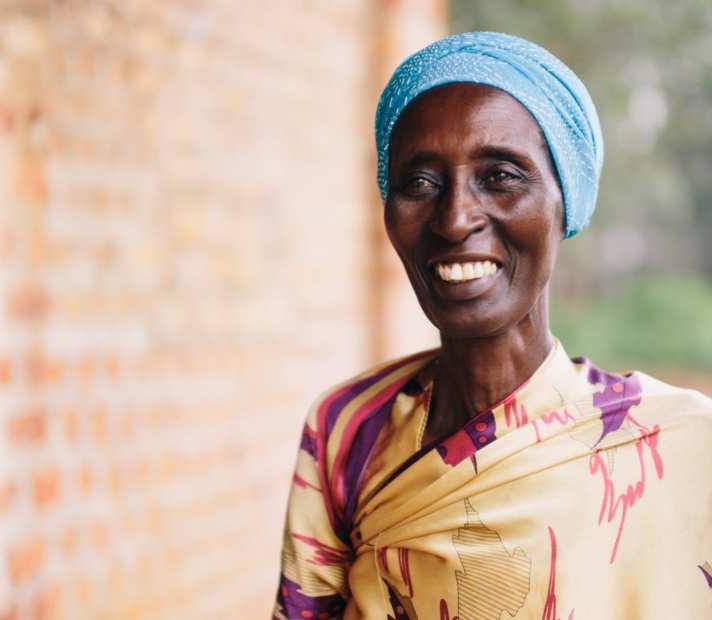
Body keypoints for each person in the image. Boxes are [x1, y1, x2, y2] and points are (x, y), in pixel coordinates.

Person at [272, 32, 712, 620]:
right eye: (419, 183)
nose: (455, 219)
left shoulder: (688, 447)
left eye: (501, 175)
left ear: (566, 204)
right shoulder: (349, 431)